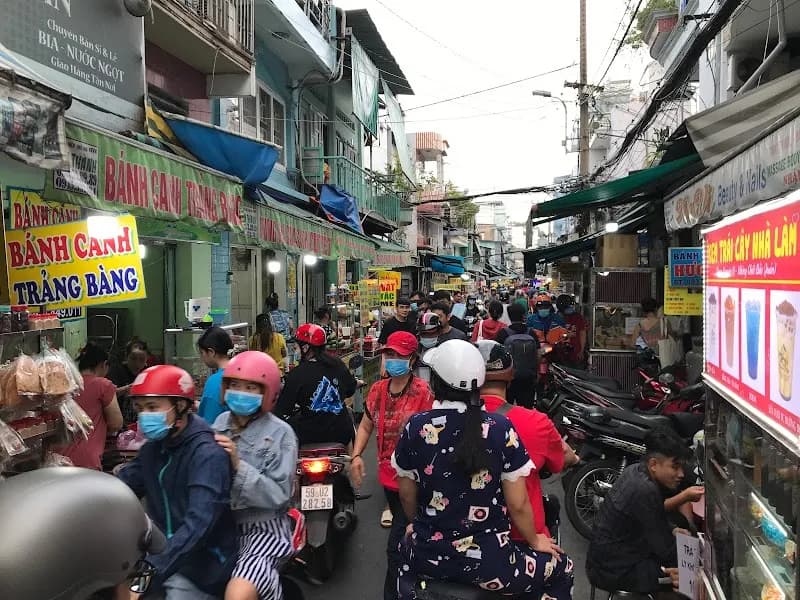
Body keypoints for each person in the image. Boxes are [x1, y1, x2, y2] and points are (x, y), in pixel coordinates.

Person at [392, 340, 574, 599]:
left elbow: (407, 494)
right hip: (492, 563)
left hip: (425, 556)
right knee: (563, 568)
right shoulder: (500, 428)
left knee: (401, 568)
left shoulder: (416, 427)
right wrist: (535, 540)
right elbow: (519, 503)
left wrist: (415, 524)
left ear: (435, 382)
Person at [117, 364, 237, 599]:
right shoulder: (153, 449)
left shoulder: (207, 454)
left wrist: (150, 569)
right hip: (160, 559)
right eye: (140, 408)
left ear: (180, 406)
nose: (145, 416)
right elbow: (121, 487)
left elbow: (198, 525)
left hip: (203, 566)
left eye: (152, 407)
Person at [350, 332, 434, 600]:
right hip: (389, 477)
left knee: (399, 543)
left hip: (416, 479)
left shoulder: (423, 392)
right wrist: (356, 455)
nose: (392, 360)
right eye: (389, 354)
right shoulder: (377, 390)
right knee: (408, 534)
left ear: (412, 359)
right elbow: (365, 424)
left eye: (399, 355)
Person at [212, 351, 298, 600]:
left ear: (267, 393)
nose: (241, 392)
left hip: (264, 529)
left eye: (251, 388)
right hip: (219, 525)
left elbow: (280, 495)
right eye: (235, 385)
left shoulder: (282, 434)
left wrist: (238, 465)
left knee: (239, 593)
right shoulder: (218, 424)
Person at [476, 340, 578, 538]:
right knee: (562, 566)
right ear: (510, 376)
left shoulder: (444, 423)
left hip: (465, 537)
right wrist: (575, 459)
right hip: (525, 538)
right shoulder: (536, 422)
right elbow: (565, 455)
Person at [587, 429, 695, 596]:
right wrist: (696, 561)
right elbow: (664, 548)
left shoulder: (635, 469)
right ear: (653, 464)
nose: (680, 474)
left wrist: (672, 530)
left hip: (604, 557)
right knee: (684, 579)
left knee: (678, 531)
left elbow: (654, 518)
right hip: (611, 570)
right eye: (675, 467)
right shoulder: (645, 490)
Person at [275, 323, 357, 447]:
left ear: (305, 348)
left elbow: (282, 410)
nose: (295, 350)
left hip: (308, 436)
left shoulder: (296, 374)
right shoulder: (337, 364)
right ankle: (354, 460)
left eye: (296, 347)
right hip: (341, 434)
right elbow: (350, 389)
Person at [58, 343, 123, 469]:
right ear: (103, 364)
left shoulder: (65, 384)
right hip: (86, 460)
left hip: (58, 459)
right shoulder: (103, 385)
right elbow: (116, 424)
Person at [496, 302, 540, 408]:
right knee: (527, 409)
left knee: (507, 409)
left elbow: (497, 356)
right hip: (528, 378)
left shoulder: (503, 333)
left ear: (509, 316)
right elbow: (538, 354)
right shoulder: (531, 333)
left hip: (509, 380)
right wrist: (536, 372)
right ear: (523, 315)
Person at [196, 326, 234, 424]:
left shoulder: (215, 382)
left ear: (211, 352)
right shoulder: (240, 372)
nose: (202, 357)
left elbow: (210, 423)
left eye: (202, 353)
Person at [108, 344, 149, 423]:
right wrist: (127, 388)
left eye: (142, 359)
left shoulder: (147, 373)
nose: (137, 363)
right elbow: (108, 395)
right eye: (133, 358)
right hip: (119, 422)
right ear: (126, 357)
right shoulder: (116, 371)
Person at [556, 294, 589, 367]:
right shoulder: (555, 318)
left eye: (571, 306)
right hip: (560, 354)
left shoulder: (577, 317)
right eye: (568, 306)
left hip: (576, 353)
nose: (570, 308)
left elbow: (582, 333)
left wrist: (581, 350)